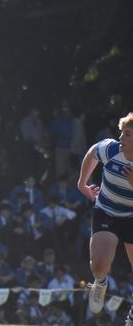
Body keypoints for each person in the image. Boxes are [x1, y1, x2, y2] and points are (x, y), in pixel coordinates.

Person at [77, 112, 133, 322]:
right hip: (107, 211)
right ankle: (100, 282)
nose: (121, 139)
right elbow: (92, 153)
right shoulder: (111, 149)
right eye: (121, 133)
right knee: (99, 264)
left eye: (127, 134)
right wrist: (82, 183)